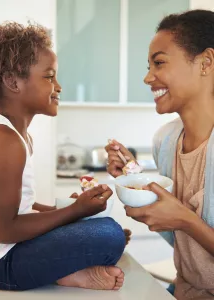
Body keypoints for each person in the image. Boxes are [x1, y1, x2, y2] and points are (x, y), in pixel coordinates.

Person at [0, 22, 126, 291]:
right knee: (110, 235)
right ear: (12, 82)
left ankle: (70, 269)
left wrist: (74, 213)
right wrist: (74, 212)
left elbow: (21, 208)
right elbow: (5, 230)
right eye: (49, 76)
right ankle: (67, 272)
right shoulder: (5, 141)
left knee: (103, 228)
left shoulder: (16, 137)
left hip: (2, 255)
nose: (59, 87)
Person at [105, 9, 214, 299]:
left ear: (206, 63)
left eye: (159, 63)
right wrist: (135, 181)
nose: (148, 77)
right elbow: (179, 239)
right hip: (184, 290)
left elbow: (183, 223)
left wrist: (185, 219)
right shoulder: (166, 140)